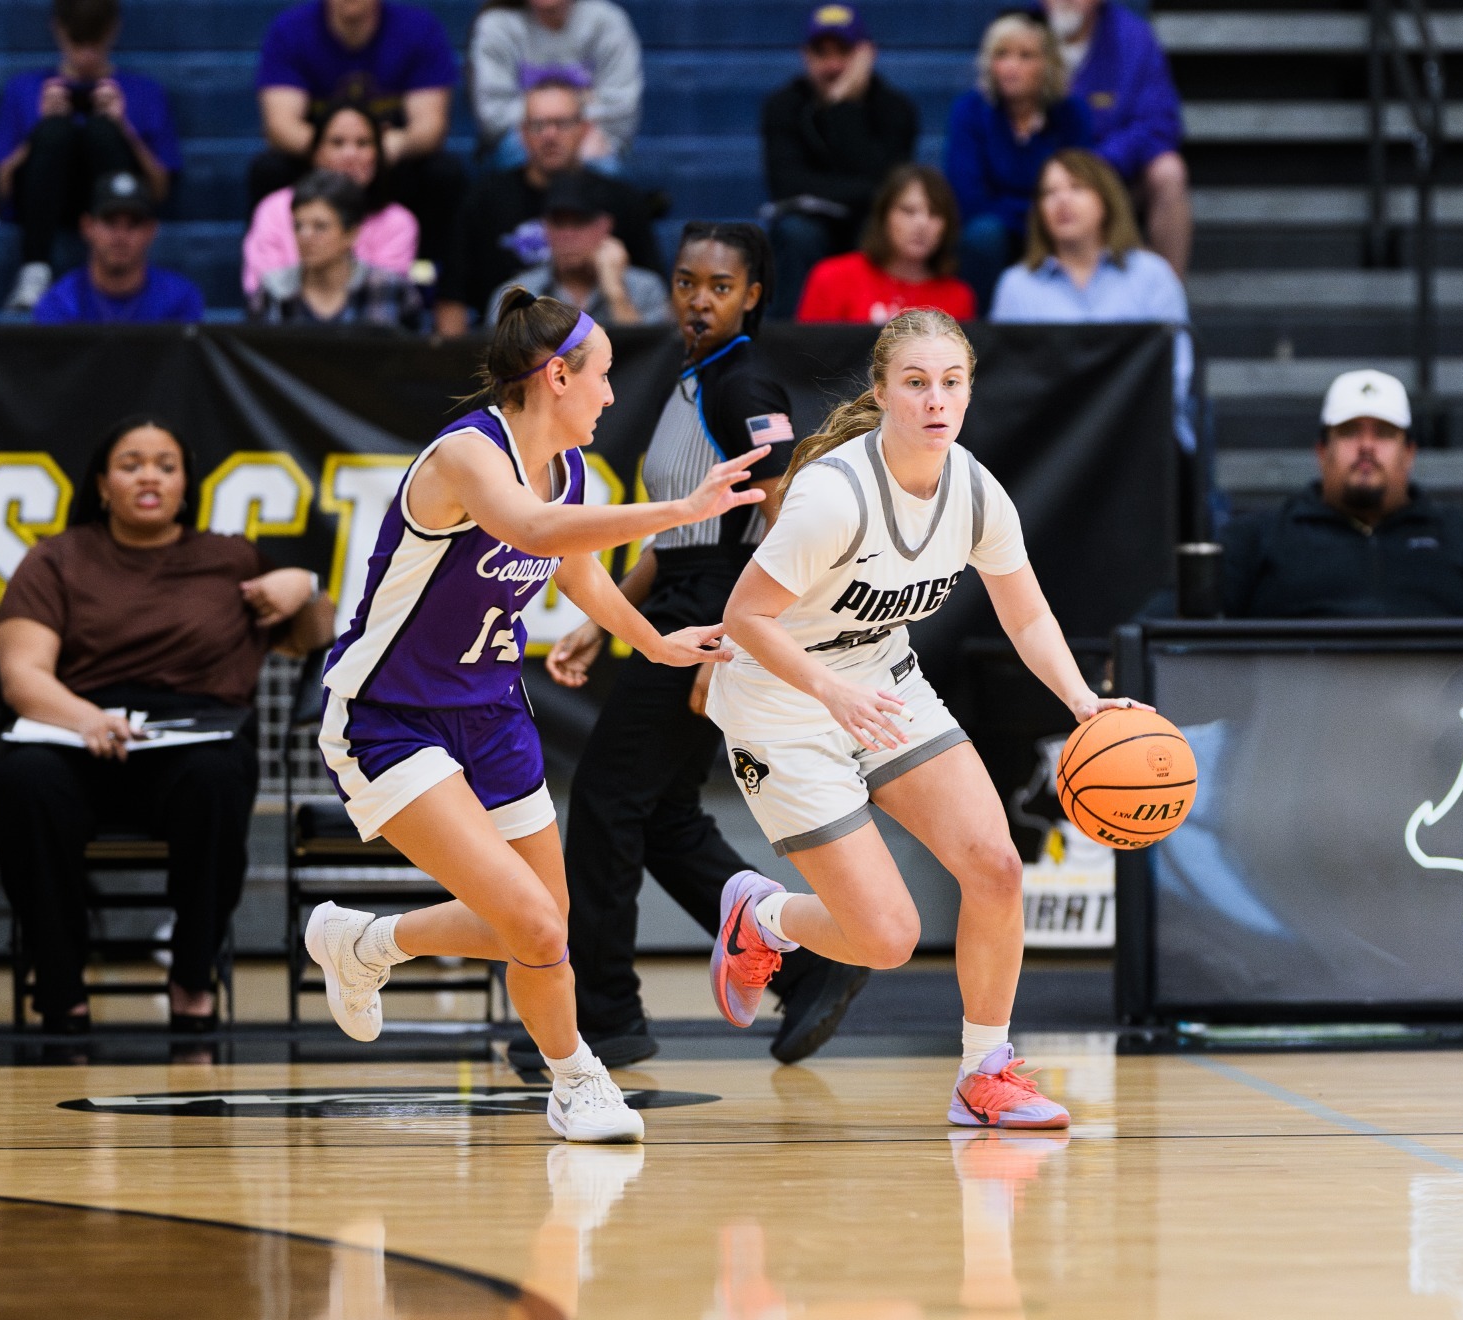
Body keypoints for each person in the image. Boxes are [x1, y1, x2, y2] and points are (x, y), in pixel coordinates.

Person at [301, 291, 772, 1142]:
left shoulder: (575, 473)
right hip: (390, 715)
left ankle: (367, 942)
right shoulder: (465, 456)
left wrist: (659, 646)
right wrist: (679, 510)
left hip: (491, 716)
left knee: (545, 926)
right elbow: (529, 525)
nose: (612, 396)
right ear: (557, 375)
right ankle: (576, 1078)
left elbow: (580, 573)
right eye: (603, 378)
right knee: (534, 921)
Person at [707, 307, 1145, 1129]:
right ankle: (761, 915)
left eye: (951, 383)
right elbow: (744, 618)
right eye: (915, 383)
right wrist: (829, 694)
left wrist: (1086, 703)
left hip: (884, 682)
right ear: (882, 392)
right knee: (888, 937)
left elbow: (1028, 618)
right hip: (783, 701)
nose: (935, 401)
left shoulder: (976, 491)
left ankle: (986, 1069)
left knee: (997, 867)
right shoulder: (834, 496)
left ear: (969, 393)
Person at [531, 221, 872, 1072]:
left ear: (753, 294)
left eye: (720, 286)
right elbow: (676, 534)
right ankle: (813, 961)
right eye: (686, 283)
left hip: (719, 610)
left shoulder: (743, 383)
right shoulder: (694, 381)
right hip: (689, 595)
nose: (698, 300)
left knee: (608, 799)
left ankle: (603, 1015)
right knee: (663, 815)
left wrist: (737, 642)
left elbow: (785, 516)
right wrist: (593, 618)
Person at [0, 418, 336, 1033]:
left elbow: (316, 639)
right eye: (131, 463)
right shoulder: (55, 560)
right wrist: (89, 719)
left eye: (165, 464)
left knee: (220, 773)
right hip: (77, 733)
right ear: (101, 483)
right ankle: (61, 990)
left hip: (194, 739)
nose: (149, 475)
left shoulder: (229, 559)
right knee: (22, 778)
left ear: (184, 484)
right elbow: (23, 677)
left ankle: (192, 979)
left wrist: (307, 586)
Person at [1222, 370, 1463, 618]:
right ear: (1321, 452)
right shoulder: (1253, 542)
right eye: (1349, 432)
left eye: (1384, 434)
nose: (1366, 446)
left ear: (1409, 454)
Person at [990, 150, 1191, 450]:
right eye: (1049, 193)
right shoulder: (1016, 286)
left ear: (1106, 200)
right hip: (1050, 450)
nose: (1062, 201)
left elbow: (1178, 372)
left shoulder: (1153, 276)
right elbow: (1009, 385)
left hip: (1141, 440)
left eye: (1076, 188)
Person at [0, 0, 184, 313]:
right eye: (76, 42)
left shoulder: (145, 92)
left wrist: (124, 128)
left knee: (101, 132)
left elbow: (160, 189)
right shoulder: (24, 89)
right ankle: (35, 269)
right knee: (55, 133)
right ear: (58, 30)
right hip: (48, 202)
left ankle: (122, 271)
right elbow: (2, 188)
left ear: (113, 31)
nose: (86, 55)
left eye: (95, 42)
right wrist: (40, 129)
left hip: (118, 197)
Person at [250, 0, 468, 262]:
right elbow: (280, 126)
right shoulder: (290, 30)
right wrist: (335, 150)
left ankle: (441, 292)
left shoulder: (419, 30)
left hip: (389, 164)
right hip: (316, 162)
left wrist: (378, 148)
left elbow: (430, 126)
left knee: (444, 174)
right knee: (268, 170)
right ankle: (271, 279)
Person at [436, 78, 659, 332]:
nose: (550, 135)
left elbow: (658, 311)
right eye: (538, 125)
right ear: (522, 133)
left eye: (562, 123)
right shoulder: (483, 200)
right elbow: (452, 299)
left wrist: (615, 290)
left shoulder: (621, 200)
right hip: (514, 344)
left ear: (585, 128)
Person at [760, 4, 919, 320]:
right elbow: (786, 185)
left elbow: (889, 188)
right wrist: (863, 192)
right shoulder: (782, 106)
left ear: (866, 54)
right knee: (796, 233)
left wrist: (842, 105)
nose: (833, 65)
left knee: (877, 231)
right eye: (821, 53)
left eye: (843, 52)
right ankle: (787, 346)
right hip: (809, 229)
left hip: (870, 225)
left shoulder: (896, 108)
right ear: (806, 55)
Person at [947, 10, 1093, 310]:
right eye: (1002, 55)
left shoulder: (1071, 114)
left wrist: (1035, 214)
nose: (1011, 67)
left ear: (1048, 64)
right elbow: (968, 199)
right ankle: (979, 335)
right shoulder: (970, 112)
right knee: (983, 235)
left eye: (1026, 56)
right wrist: (1030, 215)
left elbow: (1082, 184)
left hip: (1054, 222)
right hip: (996, 230)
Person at [1043, 0, 1189, 275]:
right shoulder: (1020, 32)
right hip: (1041, 177)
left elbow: (1160, 121)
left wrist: (1100, 164)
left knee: (1169, 171)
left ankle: (1168, 303)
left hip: (1118, 174)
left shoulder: (1134, 37)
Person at [242, 98, 418, 296]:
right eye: (337, 142)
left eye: (363, 143)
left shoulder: (398, 222)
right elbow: (262, 291)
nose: (350, 154)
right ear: (316, 152)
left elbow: (386, 298)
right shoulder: (274, 210)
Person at [471, 0, 643, 171]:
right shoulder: (497, 24)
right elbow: (494, 113)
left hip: (592, 139)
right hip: (520, 141)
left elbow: (621, 107)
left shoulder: (607, 21)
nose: (553, 133)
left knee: (600, 165)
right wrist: (580, 102)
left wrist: (573, 135)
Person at [795, 164, 975, 324]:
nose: (922, 224)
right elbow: (806, 357)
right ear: (884, 216)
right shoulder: (831, 278)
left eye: (935, 214)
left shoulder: (958, 297)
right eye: (908, 211)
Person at [486, 172, 665, 327]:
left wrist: (615, 292)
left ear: (605, 226)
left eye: (579, 222)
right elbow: (502, 363)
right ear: (546, 228)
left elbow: (650, 361)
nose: (568, 234)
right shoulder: (516, 296)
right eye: (559, 223)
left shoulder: (645, 289)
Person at [249, 171, 426, 327]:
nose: (305, 236)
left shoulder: (390, 288)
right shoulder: (272, 289)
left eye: (320, 227)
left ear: (351, 234)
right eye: (298, 226)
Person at [31, 172, 204, 324]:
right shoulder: (60, 303)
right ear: (87, 227)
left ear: (151, 231)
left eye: (133, 224)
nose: (121, 236)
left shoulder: (179, 299)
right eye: (110, 223)